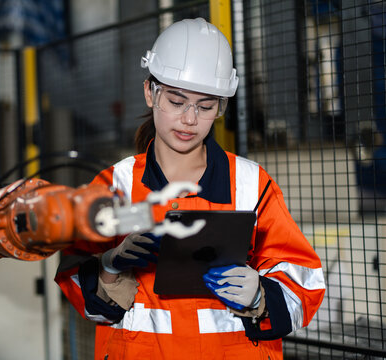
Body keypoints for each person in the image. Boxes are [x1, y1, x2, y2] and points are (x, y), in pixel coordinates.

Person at [55, 18, 325, 360]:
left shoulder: (251, 185)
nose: (189, 119)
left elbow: (305, 282)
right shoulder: (115, 187)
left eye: (205, 105)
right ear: (150, 93)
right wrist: (108, 268)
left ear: (221, 107)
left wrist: (260, 296)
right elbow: (77, 285)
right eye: (177, 101)